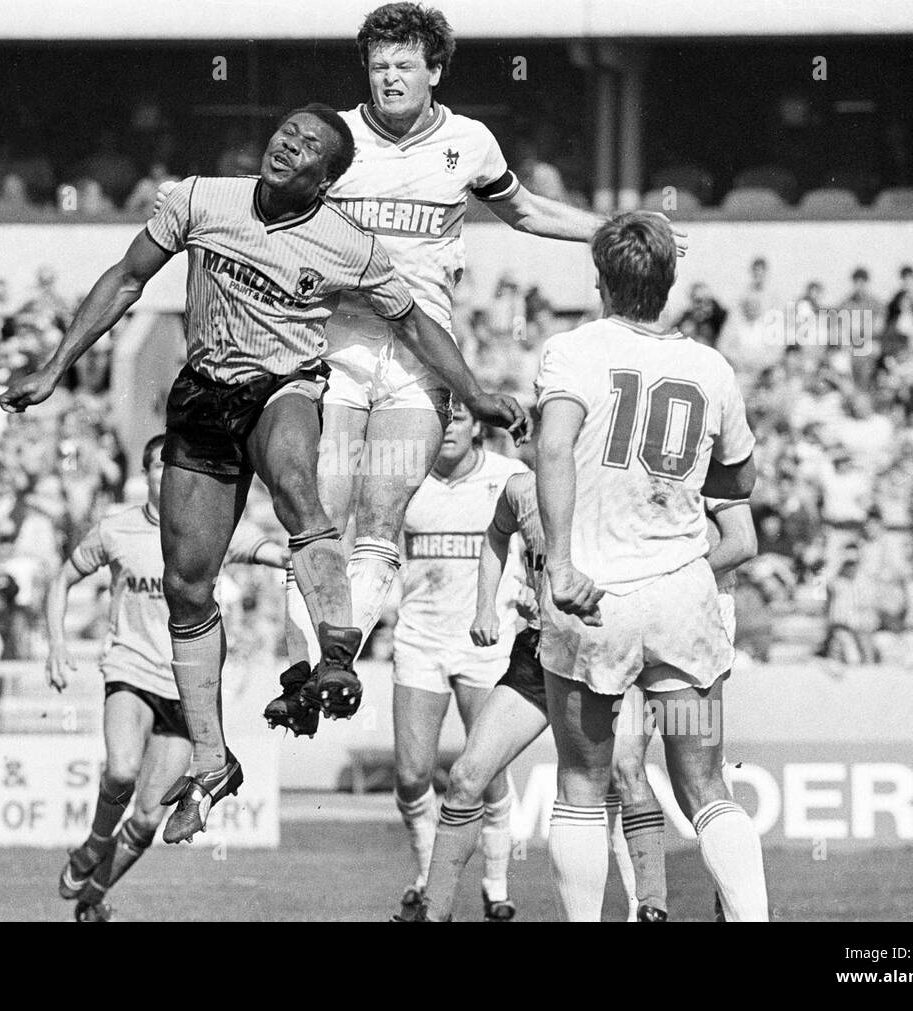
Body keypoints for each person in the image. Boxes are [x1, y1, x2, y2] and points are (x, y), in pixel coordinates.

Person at [0, 103, 526, 844]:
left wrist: (473, 392)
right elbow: (125, 280)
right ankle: (213, 761)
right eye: (288, 132)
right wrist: (56, 366)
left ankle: (335, 656)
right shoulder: (197, 199)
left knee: (297, 486)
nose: (291, 144)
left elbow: (415, 323)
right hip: (205, 394)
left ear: (327, 178)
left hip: (285, 388)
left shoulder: (351, 246)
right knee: (188, 582)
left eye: (310, 145)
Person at [255, 2, 685, 736]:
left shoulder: (469, 143)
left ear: (434, 71)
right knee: (316, 519)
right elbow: (272, 217)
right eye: (378, 66)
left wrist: (610, 229)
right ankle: (311, 665)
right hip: (335, 349)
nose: (389, 78)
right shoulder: (339, 139)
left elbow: (523, 212)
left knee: (381, 520)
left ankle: (333, 660)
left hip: (424, 357)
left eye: (403, 66)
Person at [535, 211, 768, 922]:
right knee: (703, 781)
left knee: (581, 780)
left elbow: (551, 448)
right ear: (667, 286)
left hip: (597, 599)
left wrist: (561, 560)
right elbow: (741, 481)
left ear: (600, 278)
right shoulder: (709, 365)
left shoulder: (572, 351)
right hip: (682, 600)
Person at [414, 470, 757, 923]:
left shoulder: (628, 474)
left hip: (606, 643)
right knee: (466, 775)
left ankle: (649, 906)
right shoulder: (521, 487)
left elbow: (741, 541)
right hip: (539, 649)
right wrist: (490, 605)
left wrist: (665, 584)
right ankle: (431, 912)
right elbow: (498, 539)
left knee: (624, 770)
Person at [48, 435, 286, 922]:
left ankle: (93, 899)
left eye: (174, 465)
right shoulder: (116, 529)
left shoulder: (210, 529)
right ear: (146, 474)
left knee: (149, 816)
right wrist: (56, 644)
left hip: (186, 688)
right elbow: (61, 581)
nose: (166, 474)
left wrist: (300, 555)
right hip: (130, 669)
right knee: (120, 770)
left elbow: (267, 550)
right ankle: (94, 844)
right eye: (158, 465)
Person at [387, 401, 528, 921]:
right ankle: (426, 878)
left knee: (487, 772)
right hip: (420, 638)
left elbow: (538, 534)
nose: (448, 428)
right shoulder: (407, 477)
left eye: (459, 419)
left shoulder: (509, 476)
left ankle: (495, 886)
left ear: (477, 428)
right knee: (410, 775)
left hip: (486, 641)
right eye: (440, 418)